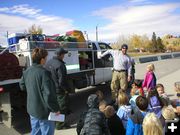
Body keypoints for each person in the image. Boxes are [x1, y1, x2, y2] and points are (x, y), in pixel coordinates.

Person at [19, 48, 60, 135]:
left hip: (32, 109)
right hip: (44, 112)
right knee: (47, 132)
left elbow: (22, 86)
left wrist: (33, 90)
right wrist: (56, 109)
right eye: (46, 58)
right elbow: (48, 94)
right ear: (42, 59)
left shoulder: (27, 71)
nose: (46, 60)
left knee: (35, 132)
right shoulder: (44, 73)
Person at [45, 47, 70, 129]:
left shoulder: (48, 63)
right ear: (61, 55)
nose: (64, 56)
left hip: (51, 89)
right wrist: (65, 90)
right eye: (63, 54)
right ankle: (60, 125)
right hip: (59, 90)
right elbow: (61, 80)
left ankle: (55, 122)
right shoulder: (60, 65)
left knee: (54, 107)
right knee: (62, 107)